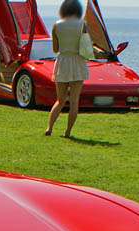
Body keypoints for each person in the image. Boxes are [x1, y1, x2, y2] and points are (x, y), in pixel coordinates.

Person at [46, 0, 89, 137]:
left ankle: (49, 128)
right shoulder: (83, 25)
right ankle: (68, 131)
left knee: (60, 100)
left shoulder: (56, 25)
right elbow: (86, 45)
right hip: (78, 61)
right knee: (74, 102)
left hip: (63, 61)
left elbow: (55, 49)